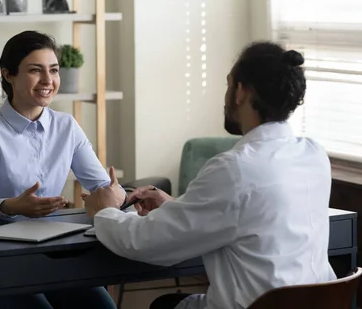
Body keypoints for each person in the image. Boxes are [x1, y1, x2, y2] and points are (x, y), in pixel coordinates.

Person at [83, 41, 337, 309]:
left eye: (228, 85)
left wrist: (105, 212)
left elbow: (147, 243)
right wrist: (178, 208)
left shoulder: (234, 169)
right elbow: (253, 221)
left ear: (240, 91)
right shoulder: (314, 156)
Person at [0, 30, 125, 309]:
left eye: (54, 70)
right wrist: (13, 206)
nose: (48, 81)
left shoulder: (67, 126)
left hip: (53, 254)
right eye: (36, 70)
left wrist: (115, 195)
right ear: (8, 74)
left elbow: (102, 186)